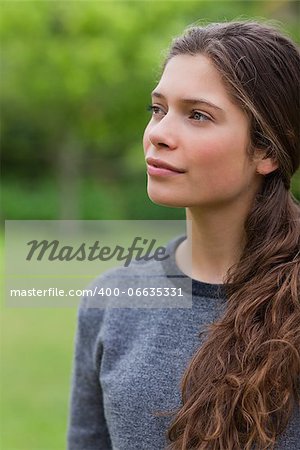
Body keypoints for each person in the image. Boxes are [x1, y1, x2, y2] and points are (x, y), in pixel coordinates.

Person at [67, 21, 300, 450]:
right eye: (158, 109)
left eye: (198, 115)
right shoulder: (112, 301)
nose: (158, 134)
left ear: (267, 149)